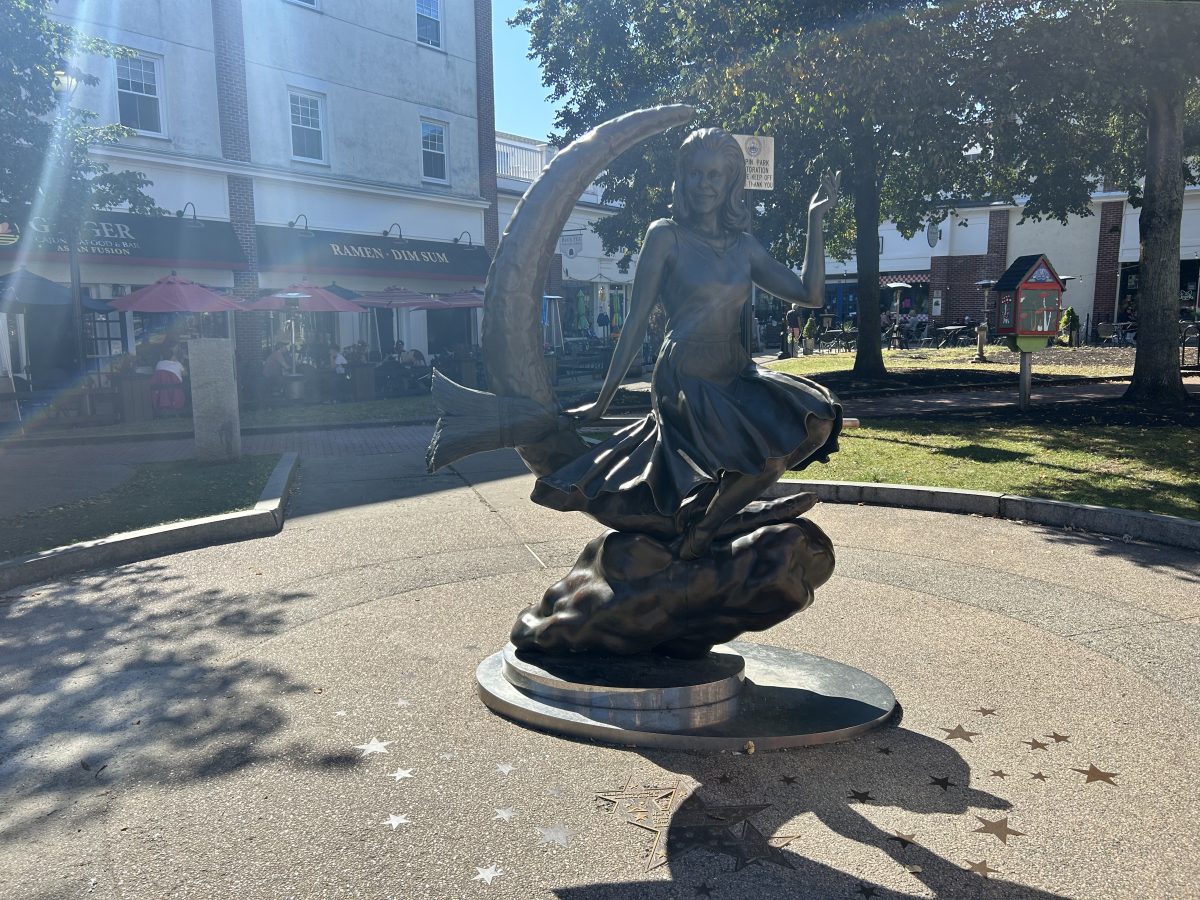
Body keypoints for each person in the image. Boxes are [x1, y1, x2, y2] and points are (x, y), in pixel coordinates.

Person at [532, 127, 842, 561]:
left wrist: (815, 220)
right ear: (683, 177)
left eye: (715, 175)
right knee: (735, 455)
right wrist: (604, 400)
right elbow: (636, 322)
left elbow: (810, 295)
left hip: (734, 369)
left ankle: (707, 526)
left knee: (814, 422)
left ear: (732, 181)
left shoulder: (745, 247)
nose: (705, 184)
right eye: (696, 174)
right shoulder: (665, 236)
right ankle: (703, 529)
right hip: (685, 375)